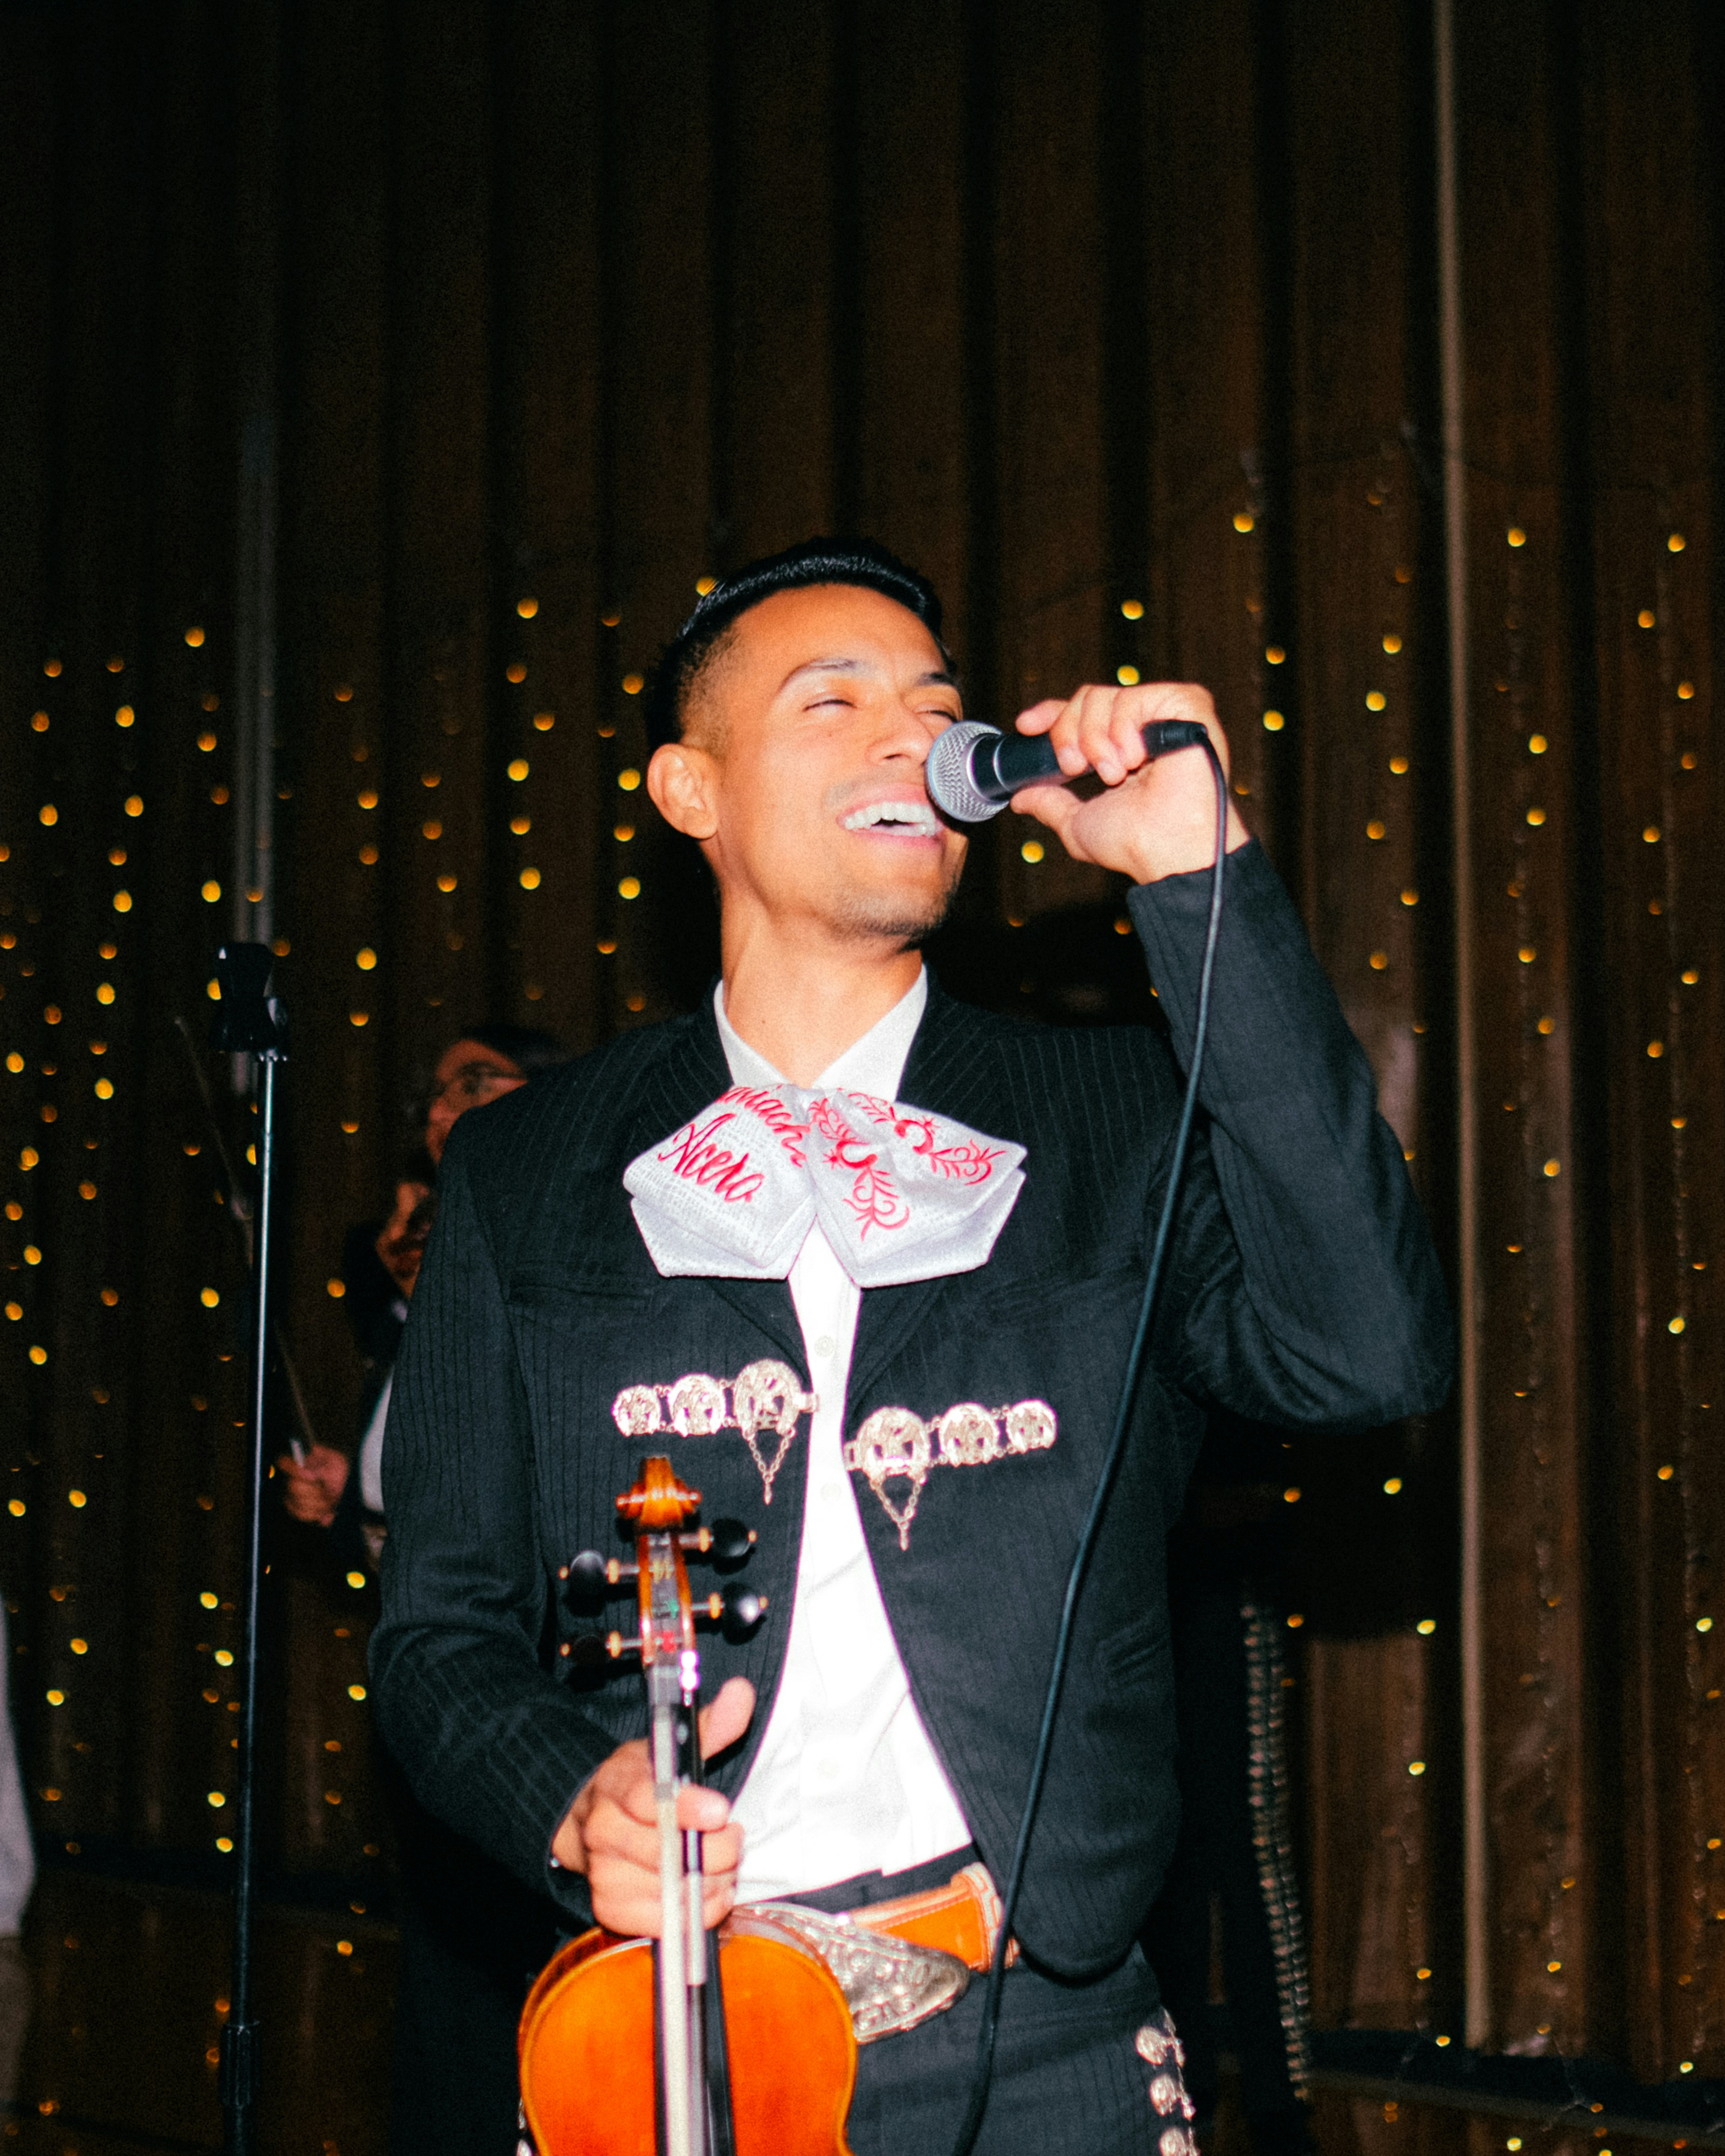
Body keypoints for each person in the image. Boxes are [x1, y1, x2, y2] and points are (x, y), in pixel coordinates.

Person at [372, 539, 1453, 2153]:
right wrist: (566, 1797)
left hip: (1044, 2040)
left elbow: (1367, 1354)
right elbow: (437, 1636)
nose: (912, 737)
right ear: (690, 789)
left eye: (936, 709)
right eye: (836, 702)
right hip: (673, 2045)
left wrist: (1200, 880)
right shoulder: (530, 1168)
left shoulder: (1104, 1116)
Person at [279, 1022, 564, 2156]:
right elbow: (428, 1486)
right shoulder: (438, 1274)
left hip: (519, 1674)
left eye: (474, 1082)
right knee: (444, 1973)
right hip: (435, 1665)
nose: (442, 1109)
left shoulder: (550, 1245)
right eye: (435, 1094)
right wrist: (351, 1499)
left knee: (504, 1965)